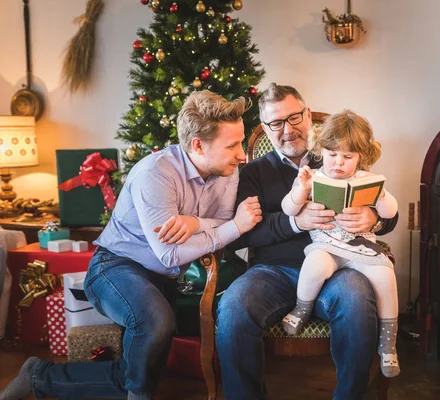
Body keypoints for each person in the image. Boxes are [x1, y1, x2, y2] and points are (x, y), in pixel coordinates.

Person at [0, 90, 262, 400]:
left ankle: (38, 376)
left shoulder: (226, 171)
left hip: (161, 278)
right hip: (114, 267)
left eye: (241, 142)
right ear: (198, 145)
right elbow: (172, 253)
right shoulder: (156, 173)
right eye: (232, 145)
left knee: (137, 374)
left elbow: (217, 223)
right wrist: (235, 226)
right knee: (155, 323)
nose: (242, 154)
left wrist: (193, 223)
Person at [216, 83, 399, 400]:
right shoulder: (254, 173)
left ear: (308, 115)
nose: (287, 130)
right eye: (276, 123)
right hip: (273, 271)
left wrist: (375, 219)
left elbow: (387, 211)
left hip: (340, 267)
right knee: (233, 306)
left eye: (294, 117)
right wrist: (294, 222)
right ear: (265, 128)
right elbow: (242, 234)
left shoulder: (337, 158)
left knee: (356, 298)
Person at [280, 109, 400, 378]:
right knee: (314, 264)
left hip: (360, 247)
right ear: (321, 150)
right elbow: (288, 208)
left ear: (361, 156)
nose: (338, 163)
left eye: (348, 157)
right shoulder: (312, 177)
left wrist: (380, 198)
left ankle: (388, 345)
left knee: (386, 276)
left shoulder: (366, 180)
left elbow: (391, 212)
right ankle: (302, 308)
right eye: (333, 155)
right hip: (327, 246)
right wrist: (300, 190)